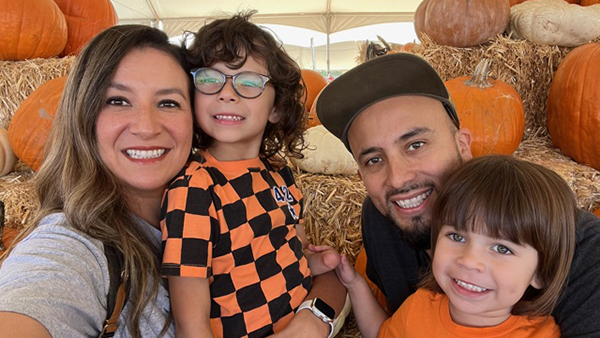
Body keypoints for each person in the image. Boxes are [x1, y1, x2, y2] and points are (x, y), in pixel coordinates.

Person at [316, 52, 600, 337]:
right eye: (374, 160)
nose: (398, 178)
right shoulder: (381, 218)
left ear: (463, 144)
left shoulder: (584, 249)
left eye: (416, 144)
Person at [0, 25, 195, 337]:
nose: (146, 127)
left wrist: (305, 308)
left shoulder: (219, 220)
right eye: (117, 101)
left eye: (168, 103)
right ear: (84, 117)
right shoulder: (69, 248)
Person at [160, 11, 344, 338]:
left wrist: (319, 264)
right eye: (209, 79)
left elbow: (286, 253)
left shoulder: (279, 173)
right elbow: (192, 324)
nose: (227, 93)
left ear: (277, 108)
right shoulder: (194, 189)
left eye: (248, 82)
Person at [336, 155, 576, 337]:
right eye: (457, 237)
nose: (469, 260)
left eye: (502, 248)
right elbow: (382, 334)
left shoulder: (542, 334)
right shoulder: (419, 307)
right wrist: (354, 284)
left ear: (541, 272)